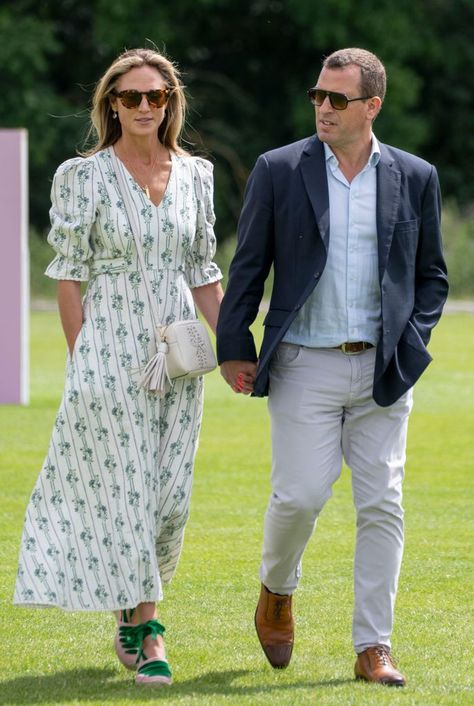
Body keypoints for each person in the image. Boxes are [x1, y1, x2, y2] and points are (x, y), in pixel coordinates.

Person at [216, 47, 448, 686]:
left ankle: (374, 645)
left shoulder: (416, 176)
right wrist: (234, 344)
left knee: (383, 505)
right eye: (318, 95)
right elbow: (249, 264)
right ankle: (276, 592)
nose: (323, 107)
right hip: (302, 365)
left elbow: (431, 278)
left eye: (337, 99)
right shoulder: (279, 168)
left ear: (372, 106)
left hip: (383, 371)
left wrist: (412, 345)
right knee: (300, 496)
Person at [14, 47, 223, 687]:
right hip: (108, 351)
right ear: (110, 103)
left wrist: (238, 349)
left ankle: (131, 609)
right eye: (129, 97)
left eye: (154, 96)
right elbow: (68, 276)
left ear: (169, 103)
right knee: (124, 493)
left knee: (167, 499)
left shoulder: (197, 174)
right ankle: (149, 628)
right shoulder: (82, 176)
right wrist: (83, 361)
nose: (142, 107)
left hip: (178, 356)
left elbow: (205, 271)